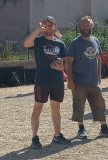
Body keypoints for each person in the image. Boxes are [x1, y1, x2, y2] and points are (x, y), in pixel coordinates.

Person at [66, 16, 108, 139]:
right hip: (79, 82)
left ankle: (104, 129)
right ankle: (81, 129)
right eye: (83, 25)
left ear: (92, 27)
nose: (86, 27)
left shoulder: (95, 40)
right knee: (79, 105)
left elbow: (98, 58)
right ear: (79, 27)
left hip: (93, 81)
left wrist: (99, 75)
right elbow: (69, 63)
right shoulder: (75, 43)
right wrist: (69, 80)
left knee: (100, 104)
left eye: (88, 25)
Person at [24, 16, 70, 149]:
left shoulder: (60, 44)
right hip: (42, 80)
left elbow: (66, 61)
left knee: (56, 109)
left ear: (55, 27)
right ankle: (35, 137)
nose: (48, 27)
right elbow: (26, 44)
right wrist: (37, 30)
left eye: (51, 25)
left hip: (57, 81)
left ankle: (57, 135)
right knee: (38, 108)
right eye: (46, 25)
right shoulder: (38, 40)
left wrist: (63, 68)